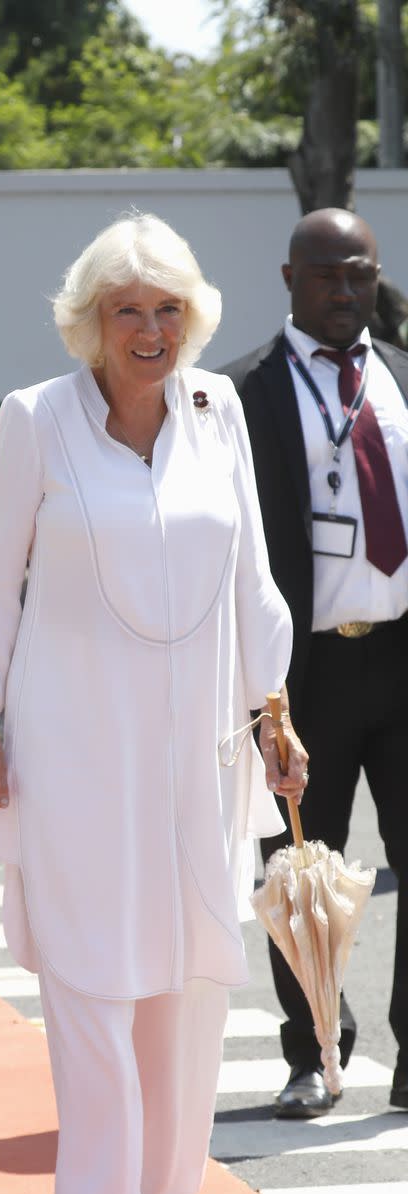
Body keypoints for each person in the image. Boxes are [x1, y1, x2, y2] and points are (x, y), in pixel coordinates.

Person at [0, 214, 307, 1194]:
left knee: (189, 975)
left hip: (199, 739)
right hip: (73, 743)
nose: (151, 332)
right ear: (88, 325)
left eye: (169, 311)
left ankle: (164, 1186)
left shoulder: (218, 407)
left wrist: (275, 713)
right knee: (93, 981)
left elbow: (251, 572)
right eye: (127, 311)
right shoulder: (37, 421)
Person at [223, 209, 408, 1119]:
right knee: (296, 870)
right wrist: (258, 694)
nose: (344, 291)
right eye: (328, 274)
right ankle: (313, 1051)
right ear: (289, 276)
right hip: (299, 677)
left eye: (360, 275)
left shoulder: (403, 379)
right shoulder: (237, 393)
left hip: (402, 659)